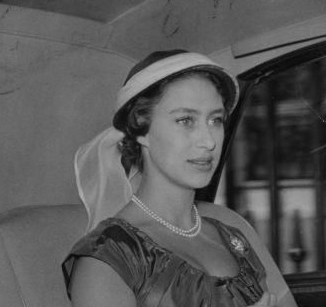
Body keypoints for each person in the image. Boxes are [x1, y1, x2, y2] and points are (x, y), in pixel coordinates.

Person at [62, 50, 296, 307]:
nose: (208, 141)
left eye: (215, 120)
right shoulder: (108, 257)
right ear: (141, 127)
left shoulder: (233, 236)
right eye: (185, 120)